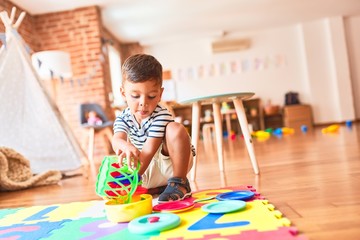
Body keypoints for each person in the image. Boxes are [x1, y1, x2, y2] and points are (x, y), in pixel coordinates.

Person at [112, 54, 195, 202]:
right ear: (123, 93)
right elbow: (116, 140)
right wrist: (126, 146)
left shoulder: (161, 115)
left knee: (175, 129)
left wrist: (129, 182)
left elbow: (149, 152)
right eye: (135, 96)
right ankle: (157, 188)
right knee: (124, 162)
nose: (143, 103)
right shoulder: (123, 117)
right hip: (144, 169)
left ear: (160, 94)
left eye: (151, 96)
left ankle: (179, 183)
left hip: (169, 165)